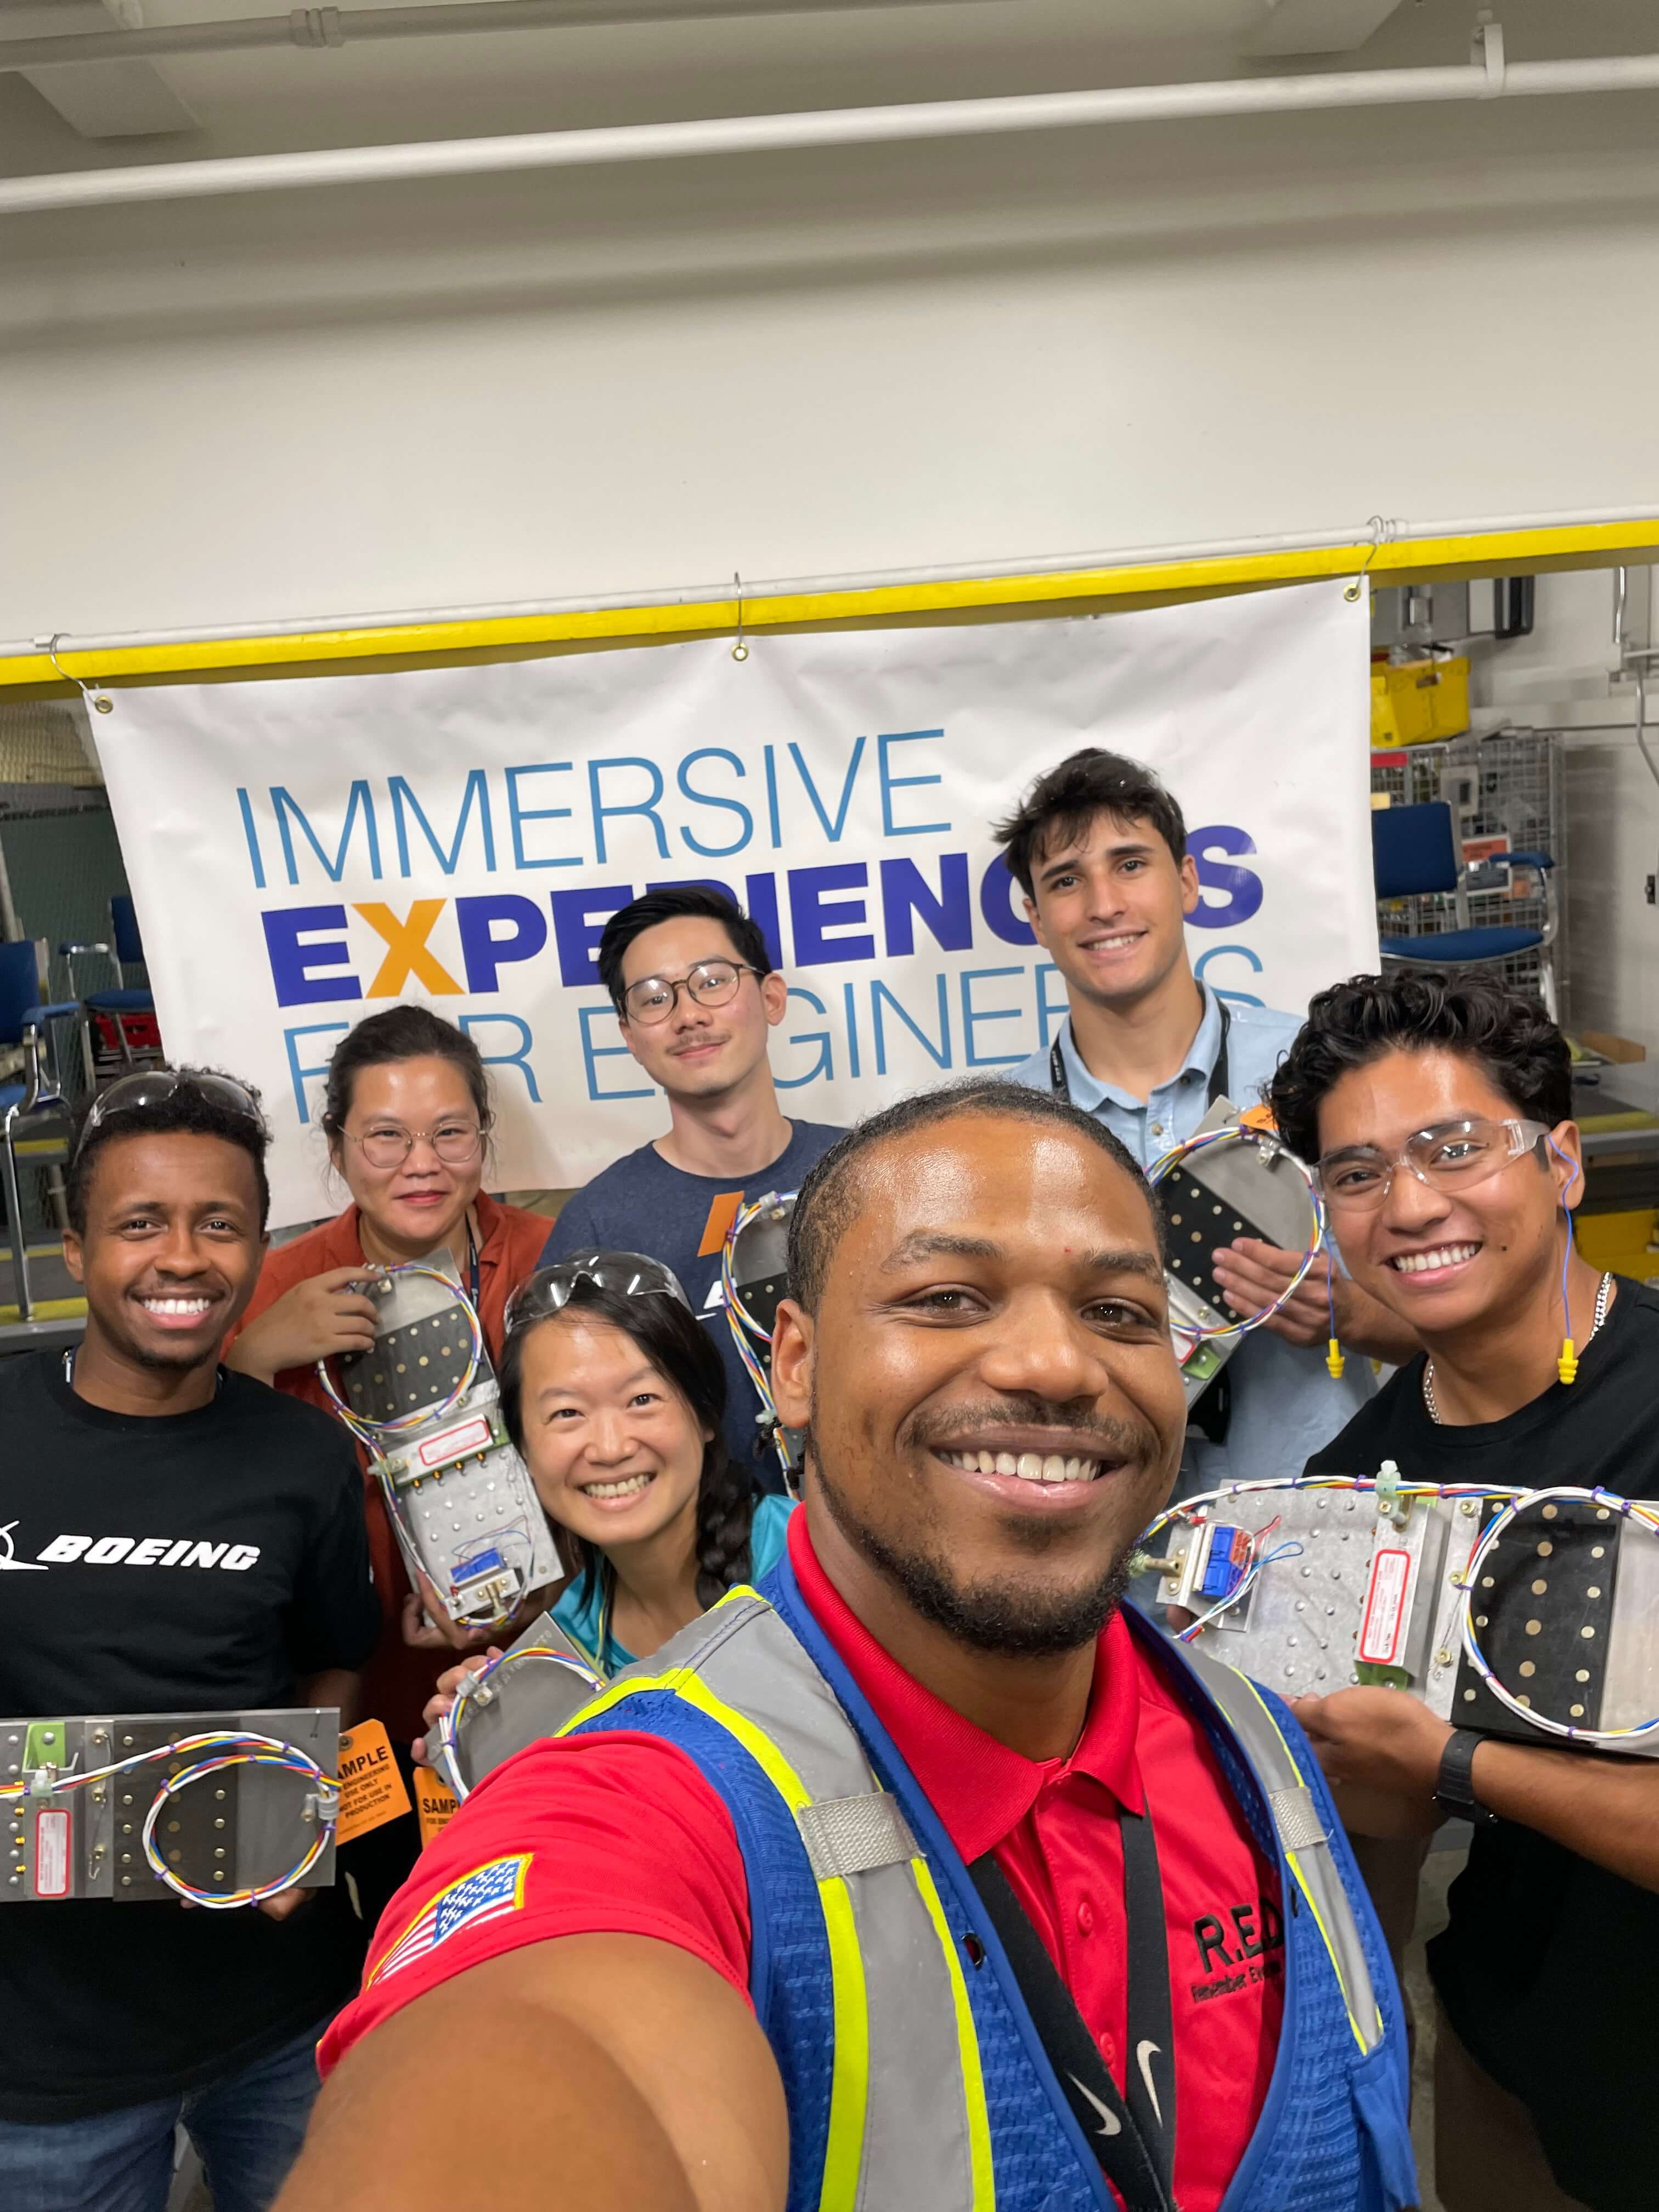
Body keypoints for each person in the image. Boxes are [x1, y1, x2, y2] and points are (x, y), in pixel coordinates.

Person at [280, 1079, 1414, 2212]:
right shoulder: (645, 1802)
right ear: (793, 1365)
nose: (1054, 1364)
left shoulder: (1254, 1732)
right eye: (948, 1297)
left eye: (1120, 1312)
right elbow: (530, 2044)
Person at [1266, 972, 1659, 2212]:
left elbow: (1422, 1766)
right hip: (1512, 2081)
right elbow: (1376, 1843)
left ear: (1562, 1163)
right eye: (1358, 1172)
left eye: (1452, 1147)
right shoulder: (1350, 1491)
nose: (1411, 1203)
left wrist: (1455, 1764)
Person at [0, 1066, 379, 2212]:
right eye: (140, 1224)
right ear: (76, 1249)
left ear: (260, 1246)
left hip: (278, 2016)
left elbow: (334, 1660)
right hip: (48, 2056)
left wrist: (296, 1807)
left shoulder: (303, 1456)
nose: (183, 1258)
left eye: (220, 1225)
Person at [996, 747, 1418, 1499]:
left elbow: (1467, 1316)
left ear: (1186, 881)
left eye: (1131, 865)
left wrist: (1348, 1314)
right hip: (1098, 1547)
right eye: (1066, 882)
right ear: (1034, 918)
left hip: (1314, 1526)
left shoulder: (1326, 1072)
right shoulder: (1003, 1129)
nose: (1103, 904)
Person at [225, 1006, 552, 1742]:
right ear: (338, 1149)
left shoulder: (550, 1261)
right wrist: (250, 1361)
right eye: (386, 1136)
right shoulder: (277, 1289)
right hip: (356, 1683)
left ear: (483, 1137)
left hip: (548, 1652)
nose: (422, 1162)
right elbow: (208, 1496)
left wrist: (544, 1590)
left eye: (449, 1132)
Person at [416, 1252, 794, 1757]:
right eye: (567, 1412)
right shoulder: (563, 1661)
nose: (611, 1447)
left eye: (642, 1399)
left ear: (705, 1416)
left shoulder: (820, 1564)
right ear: (524, 1449)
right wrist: (480, 1751)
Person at [538, 886, 840, 1488]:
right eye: (653, 998)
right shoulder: (599, 1228)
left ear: (772, 997)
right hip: (710, 1566)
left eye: (712, 981)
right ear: (628, 1034)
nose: (688, 1016)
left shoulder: (867, 1168)